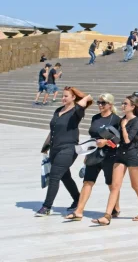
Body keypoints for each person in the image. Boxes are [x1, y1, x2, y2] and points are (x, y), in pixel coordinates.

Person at [92, 94, 138, 225]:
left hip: (132, 155)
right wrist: (106, 141)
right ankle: (107, 216)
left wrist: (123, 126)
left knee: (136, 185)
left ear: (133, 107)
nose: (122, 106)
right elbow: (117, 140)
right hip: (120, 155)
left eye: (125, 104)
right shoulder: (123, 119)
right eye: (122, 103)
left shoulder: (137, 122)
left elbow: (128, 140)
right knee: (115, 186)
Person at [36, 87, 93, 216]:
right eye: (63, 95)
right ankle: (77, 199)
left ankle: (46, 207)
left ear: (73, 98)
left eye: (66, 96)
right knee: (65, 176)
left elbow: (88, 98)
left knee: (55, 176)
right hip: (54, 148)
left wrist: (75, 91)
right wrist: (46, 145)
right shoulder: (58, 110)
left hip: (68, 149)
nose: (63, 98)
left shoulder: (77, 111)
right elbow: (53, 130)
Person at [65, 94, 121, 221]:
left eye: (103, 103)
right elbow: (93, 137)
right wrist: (87, 153)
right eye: (98, 102)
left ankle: (115, 208)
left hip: (110, 156)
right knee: (87, 181)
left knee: (111, 184)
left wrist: (106, 142)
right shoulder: (95, 118)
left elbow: (119, 141)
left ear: (110, 105)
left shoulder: (116, 119)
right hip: (94, 154)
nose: (100, 105)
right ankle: (79, 211)